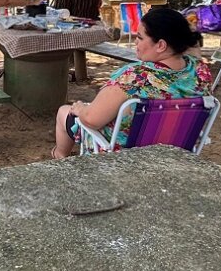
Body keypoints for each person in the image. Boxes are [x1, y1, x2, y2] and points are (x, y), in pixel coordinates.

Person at [51, 8, 212, 158]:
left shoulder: (136, 77)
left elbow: (92, 120)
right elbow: (193, 49)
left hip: (125, 154)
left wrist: (80, 110)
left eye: (140, 37)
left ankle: (60, 158)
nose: (135, 42)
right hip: (175, 151)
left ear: (161, 45)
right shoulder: (199, 72)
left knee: (64, 112)